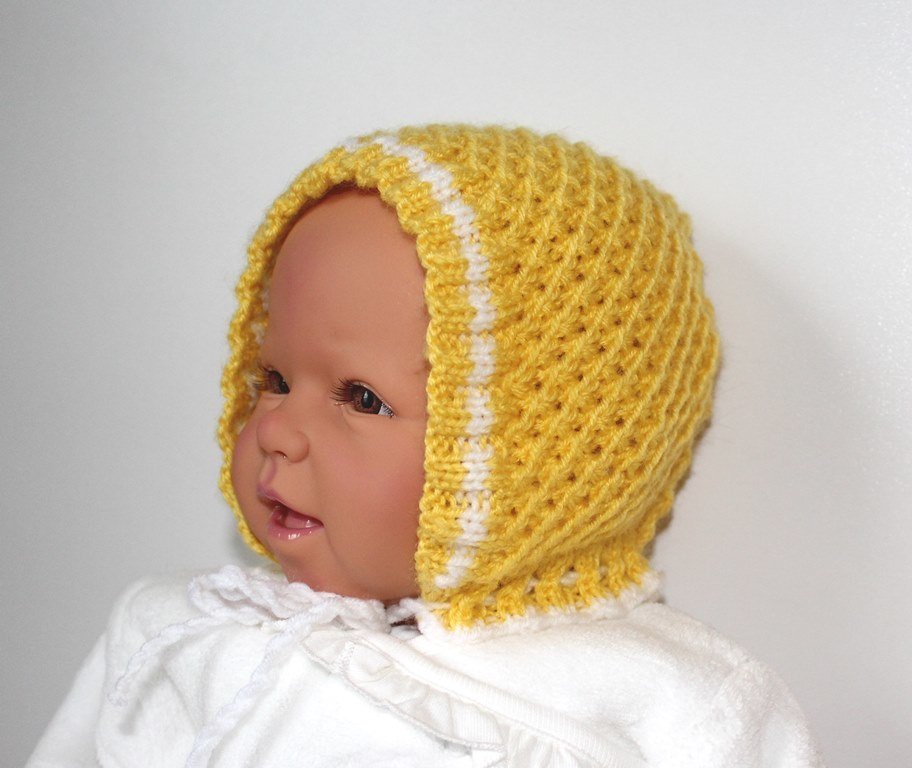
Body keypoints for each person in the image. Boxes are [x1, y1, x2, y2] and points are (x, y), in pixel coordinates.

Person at [28, 125, 824, 767]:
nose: (275, 430)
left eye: (361, 398)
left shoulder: (669, 703)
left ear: (534, 464)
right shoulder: (177, 637)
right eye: (272, 379)